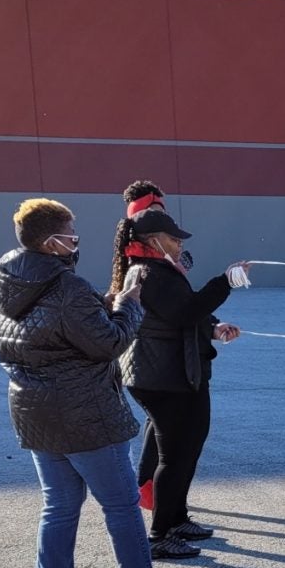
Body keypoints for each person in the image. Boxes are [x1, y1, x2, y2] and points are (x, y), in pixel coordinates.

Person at [0, 198, 193, 568]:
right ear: (51, 243)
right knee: (121, 506)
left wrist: (104, 303)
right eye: (71, 237)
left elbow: (55, 330)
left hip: (34, 411)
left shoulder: (9, 282)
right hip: (83, 412)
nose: (75, 244)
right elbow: (110, 342)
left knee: (59, 507)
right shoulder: (68, 288)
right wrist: (129, 301)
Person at [111, 208, 249, 559]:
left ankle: (176, 519)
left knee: (190, 445)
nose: (177, 244)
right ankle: (159, 535)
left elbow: (186, 314)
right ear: (152, 241)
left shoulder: (159, 270)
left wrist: (214, 329)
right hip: (161, 377)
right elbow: (185, 312)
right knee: (174, 455)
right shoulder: (147, 273)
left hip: (178, 372)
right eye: (173, 239)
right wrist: (224, 283)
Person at [121, 179, 169, 511]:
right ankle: (146, 486)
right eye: (154, 212)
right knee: (162, 419)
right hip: (146, 355)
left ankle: (148, 485)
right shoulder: (139, 263)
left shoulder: (161, 257)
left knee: (158, 420)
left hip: (155, 353)